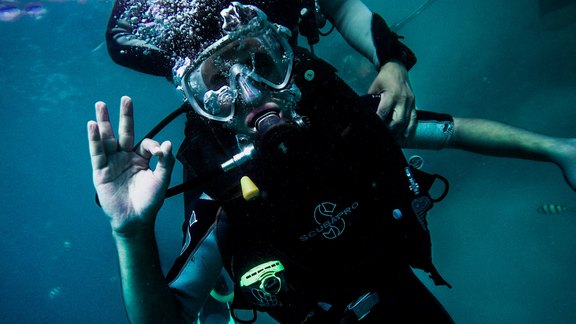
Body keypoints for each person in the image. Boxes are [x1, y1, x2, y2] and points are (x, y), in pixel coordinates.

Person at [94, 1, 576, 322]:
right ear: (200, 102)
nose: (251, 94)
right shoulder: (215, 171)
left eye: (264, 65)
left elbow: (445, 129)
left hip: (403, 299)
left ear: (287, 59)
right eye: (218, 85)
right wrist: (130, 233)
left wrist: (559, 149)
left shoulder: (331, 113)